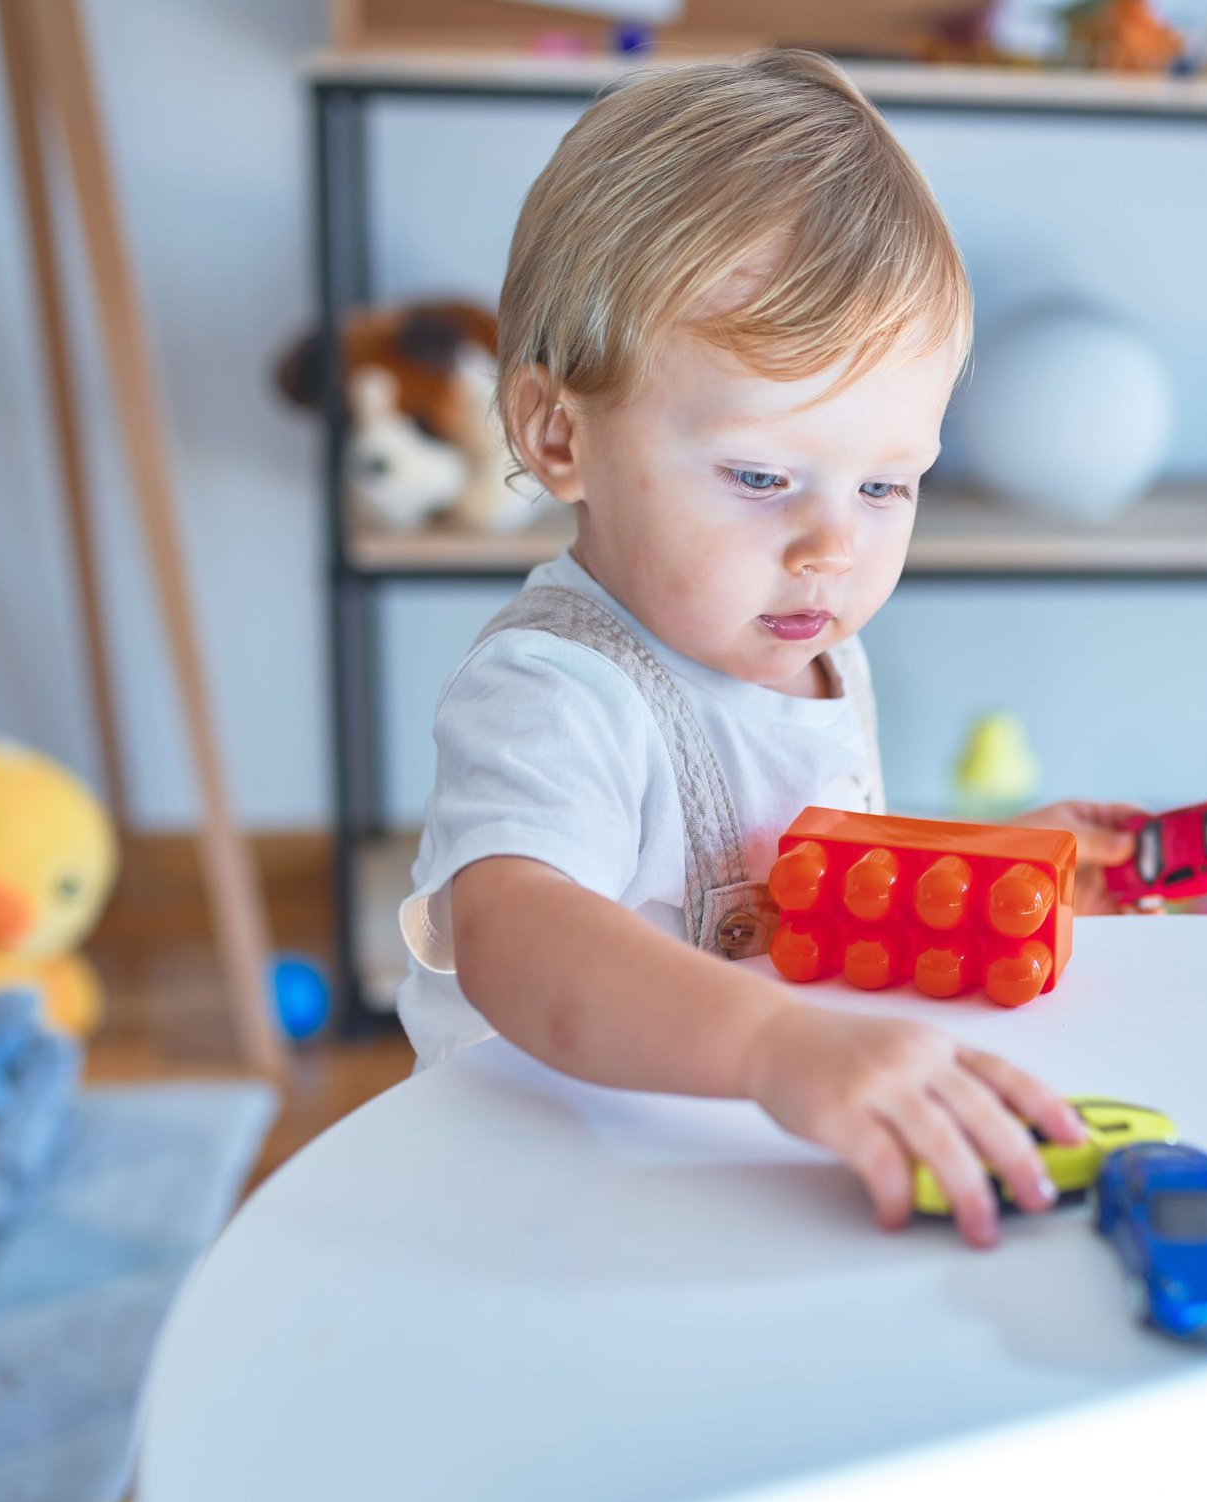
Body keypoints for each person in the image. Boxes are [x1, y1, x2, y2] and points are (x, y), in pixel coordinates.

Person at [397, 50, 1141, 1249]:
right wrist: (775, 1042)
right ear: (557, 434)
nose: (830, 548)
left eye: (889, 485)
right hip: (546, 1203)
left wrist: (989, 870)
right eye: (760, 477)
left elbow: (797, 894)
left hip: (741, 1168)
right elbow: (515, 933)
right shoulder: (554, 691)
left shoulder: (808, 647)